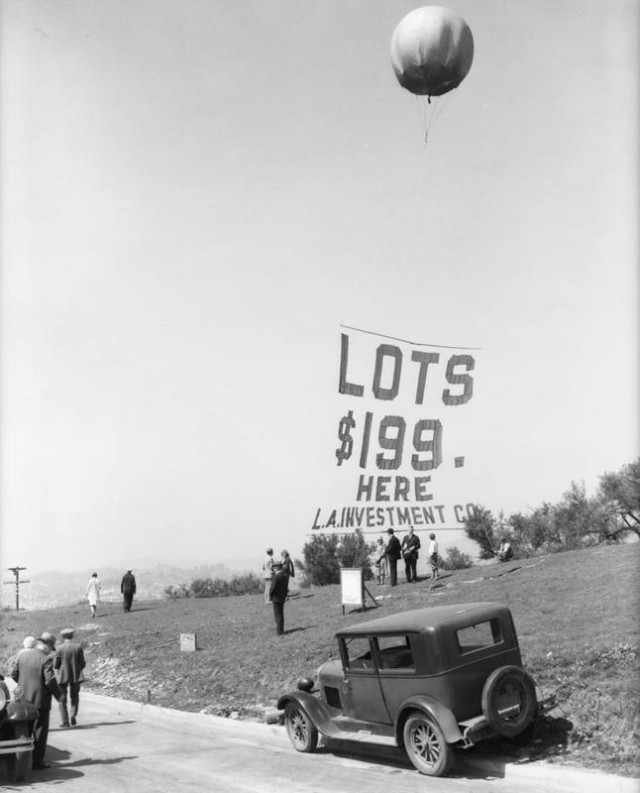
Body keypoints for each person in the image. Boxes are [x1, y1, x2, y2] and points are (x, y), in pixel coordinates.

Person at [11, 632, 60, 770]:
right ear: (46, 645)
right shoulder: (46, 659)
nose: (51, 651)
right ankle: (37, 762)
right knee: (39, 732)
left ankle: (20, 761)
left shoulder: (23, 655)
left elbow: (13, 675)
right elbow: (49, 680)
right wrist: (59, 696)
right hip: (40, 701)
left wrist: (23, 684)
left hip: (21, 700)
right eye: (51, 648)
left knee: (23, 730)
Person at [54, 628, 85, 728]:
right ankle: (73, 715)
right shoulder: (78, 647)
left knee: (62, 699)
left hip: (63, 675)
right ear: (72, 636)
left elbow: (56, 664)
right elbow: (83, 663)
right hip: (76, 675)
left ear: (63, 637)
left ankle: (65, 721)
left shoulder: (59, 648)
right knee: (75, 696)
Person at [269, 563, 290, 635]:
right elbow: (285, 588)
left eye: (274, 568)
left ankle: (279, 631)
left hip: (276, 598)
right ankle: (281, 629)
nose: (273, 569)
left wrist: (270, 595)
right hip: (282, 597)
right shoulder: (285, 576)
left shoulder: (276, 577)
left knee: (277, 615)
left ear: (277, 568)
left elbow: (272, 588)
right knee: (281, 614)